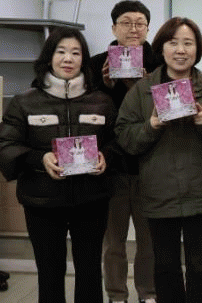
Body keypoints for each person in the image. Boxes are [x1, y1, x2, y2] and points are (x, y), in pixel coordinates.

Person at [116, 17, 202, 303]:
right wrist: (152, 125)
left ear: (197, 49)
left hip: (201, 192)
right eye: (173, 43)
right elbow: (124, 137)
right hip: (159, 192)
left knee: (200, 265)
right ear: (162, 48)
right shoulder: (142, 90)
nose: (181, 50)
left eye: (188, 43)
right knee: (165, 266)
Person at [0, 27, 116, 303]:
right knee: (50, 272)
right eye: (61, 51)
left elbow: (117, 140)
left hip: (91, 200)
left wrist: (106, 156)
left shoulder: (102, 101)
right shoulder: (25, 102)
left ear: (83, 59)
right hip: (42, 201)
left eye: (76, 53)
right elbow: (6, 144)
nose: (68, 58)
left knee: (90, 271)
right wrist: (39, 159)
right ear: (49, 57)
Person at [91, 0, 160, 303]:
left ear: (147, 28)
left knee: (149, 241)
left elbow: (168, 112)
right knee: (113, 241)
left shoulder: (159, 65)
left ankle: (149, 293)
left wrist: (143, 88)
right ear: (113, 28)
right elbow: (87, 114)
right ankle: (116, 295)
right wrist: (104, 87)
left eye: (140, 23)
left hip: (150, 166)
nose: (134, 29)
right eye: (126, 22)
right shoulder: (95, 65)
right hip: (110, 167)